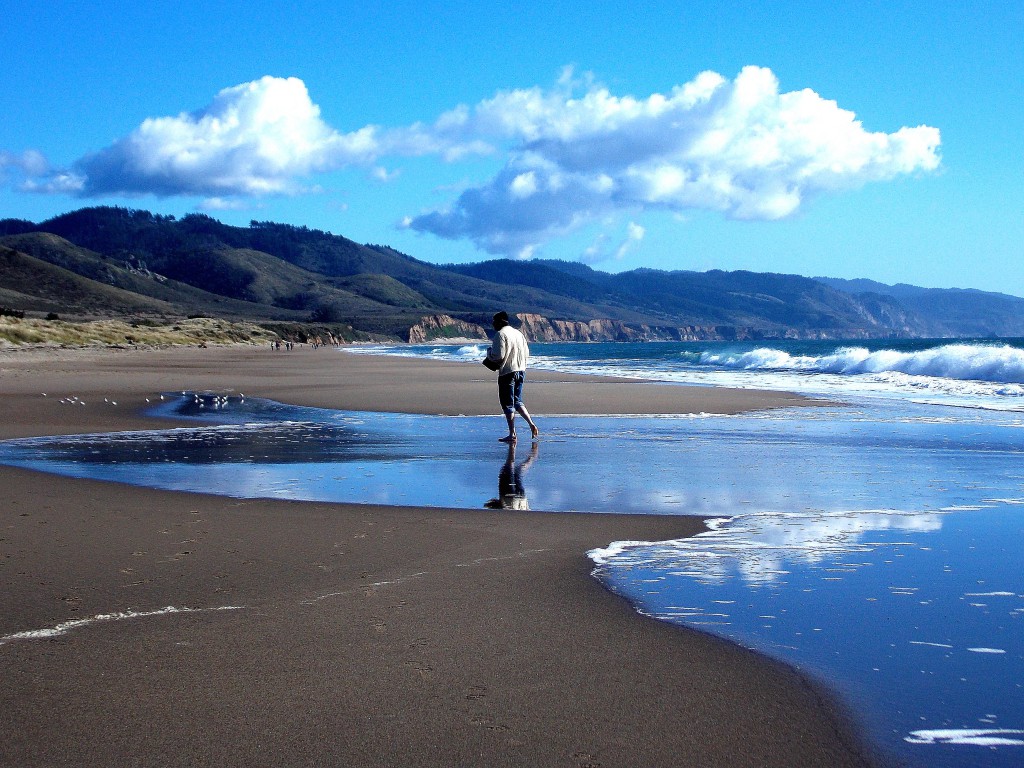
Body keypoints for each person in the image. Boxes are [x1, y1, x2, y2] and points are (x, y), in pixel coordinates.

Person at [484, 311, 539, 443]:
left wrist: (489, 353)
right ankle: (531, 424)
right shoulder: (519, 334)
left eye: (494, 322)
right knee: (517, 400)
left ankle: (512, 433)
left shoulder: (501, 334)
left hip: (508, 371)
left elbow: (499, 356)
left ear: (499, 322)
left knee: (507, 403)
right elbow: (527, 353)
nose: (493, 325)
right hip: (521, 369)